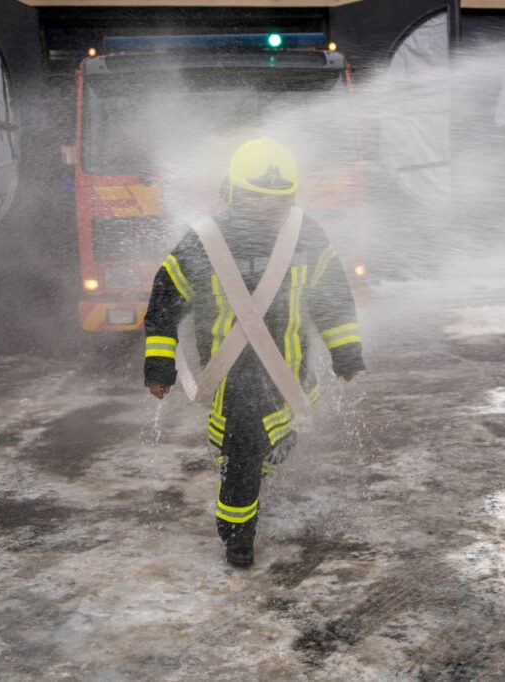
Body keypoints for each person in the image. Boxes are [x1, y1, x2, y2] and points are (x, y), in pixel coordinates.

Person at [143, 137, 364, 568]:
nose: (266, 206)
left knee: (276, 444)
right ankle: (237, 535)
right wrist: (159, 368)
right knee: (244, 446)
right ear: (231, 192)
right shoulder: (202, 241)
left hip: (290, 368)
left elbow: (332, 300)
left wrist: (347, 355)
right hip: (231, 373)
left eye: (277, 198)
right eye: (254, 196)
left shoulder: (307, 236)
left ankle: (246, 488)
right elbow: (164, 306)